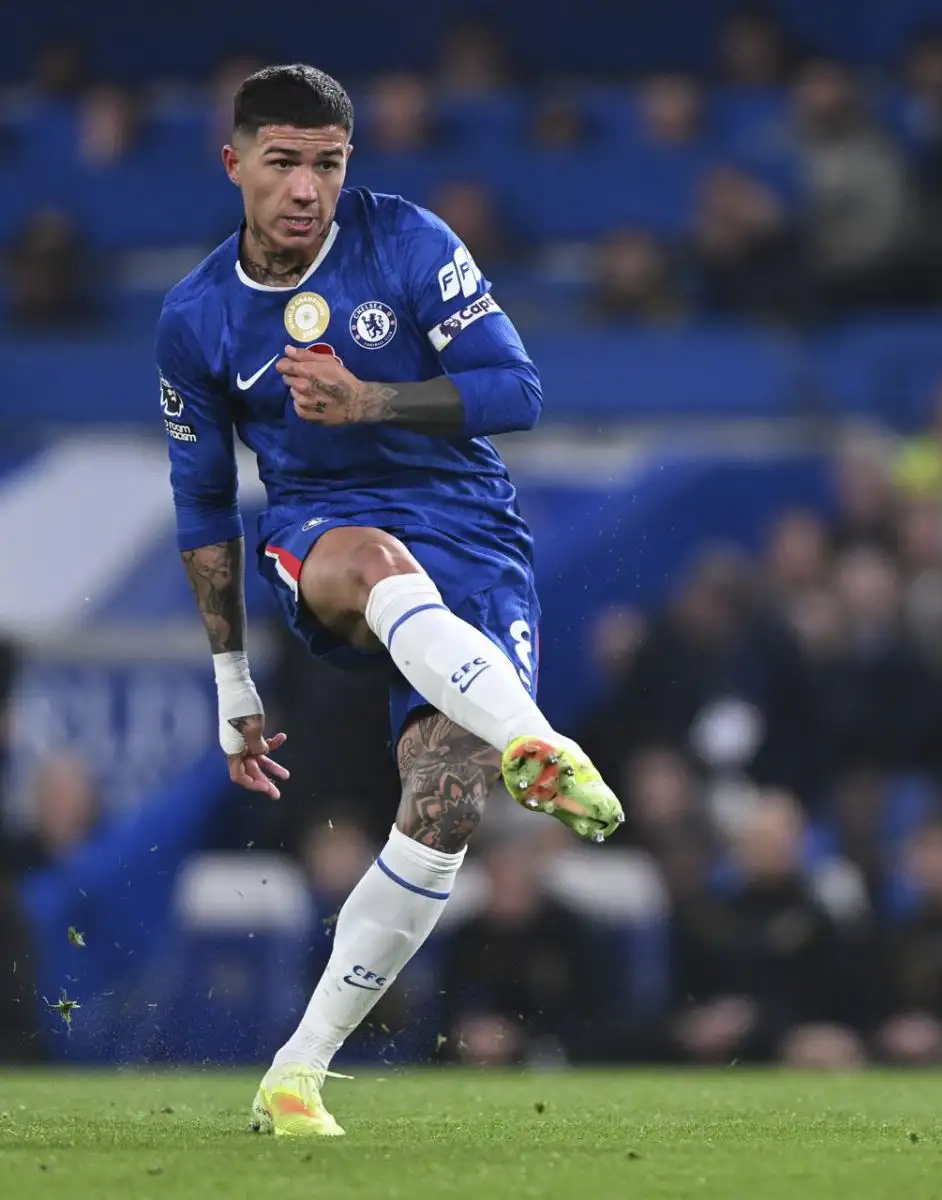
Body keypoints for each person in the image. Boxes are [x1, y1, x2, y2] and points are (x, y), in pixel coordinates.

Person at [155, 65, 624, 1136]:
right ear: (234, 163)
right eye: (283, 162)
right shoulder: (197, 316)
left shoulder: (408, 239)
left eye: (327, 163)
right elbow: (203, 502)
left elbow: (518, 391)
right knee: (370, 561)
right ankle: (540, 741)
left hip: (471, 535)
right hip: (324, 531)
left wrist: (371, 398)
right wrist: (231, 677)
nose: (306, 188)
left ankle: (297, 1072)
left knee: (446, 802)